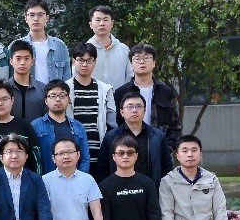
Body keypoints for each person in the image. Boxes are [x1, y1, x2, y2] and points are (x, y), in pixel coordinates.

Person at [111, 43, 182, 152]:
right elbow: (114, 124)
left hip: (159, 150)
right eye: (137, 58)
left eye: (146, 58)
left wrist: (167, 148)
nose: (142, 62)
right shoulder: (121, 93)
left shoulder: (166, 92)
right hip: (128, 152)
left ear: (154, 62)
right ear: (131, 64)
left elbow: (175, 127)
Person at [95, 92, 169, 184]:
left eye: (138, 106)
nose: (134, 110)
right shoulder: (111, 137)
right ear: (122, 112)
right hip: (119, 189)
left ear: (144, 111)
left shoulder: (157, 136)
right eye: (130, 106)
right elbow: (102, 168)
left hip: (150, 189)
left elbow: (166, 166)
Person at [67, 43, 117, 172]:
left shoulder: (105, 90)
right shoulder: (65, 89)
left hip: (99, 155)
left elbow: (112, 124)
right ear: (73, 61)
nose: (85, 64)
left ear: (95, 62)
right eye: (81, 60)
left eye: (89, 61)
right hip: (72, 155)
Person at [31, 81, 91, 174]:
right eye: (53, 96)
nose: (58, 99)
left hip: (74, 179)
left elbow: (85, 158)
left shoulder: (78, 126)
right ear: (46, 101)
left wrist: (78, 179)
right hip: (45, 179)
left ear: (69, 99)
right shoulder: (35, 126)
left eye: (62, 96)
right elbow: (32, 158)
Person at [16, 0, 72, 85]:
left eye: (40, 15)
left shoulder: (59, 46)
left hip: (55, 93)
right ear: (26, 18)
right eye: (32, 15)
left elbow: (67, 79)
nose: (36, 19)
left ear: (47, 18)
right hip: (26, 93)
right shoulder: (16, 46)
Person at [87, 5, 132, 88]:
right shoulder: (85, 51)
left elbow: (130, 77)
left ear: (112, 23)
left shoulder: (123, 50)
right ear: (91, 24)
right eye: (98, 20)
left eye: (105, 20)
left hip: (119, 96)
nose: (102, 24)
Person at [5, 40, 46, 123]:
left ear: (32, 61)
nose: (22, 63)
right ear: (11, 61)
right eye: (18, 58)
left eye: (26, 58)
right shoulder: (4, 89)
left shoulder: (43, 89)